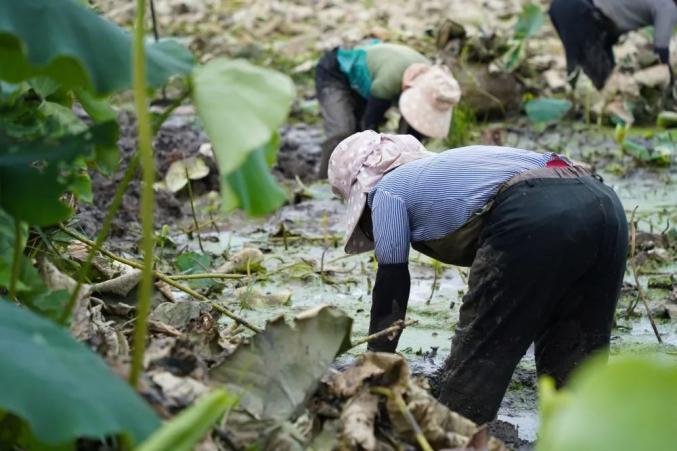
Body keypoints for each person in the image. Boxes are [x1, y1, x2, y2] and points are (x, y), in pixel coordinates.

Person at [327, 131, 628, 424]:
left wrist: (374, 366)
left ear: (362, 191)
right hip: (603, 204)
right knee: (577, 373)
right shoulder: (449, 167)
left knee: (476, 370)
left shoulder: (387, 190)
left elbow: (391, 284)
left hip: (534, 212)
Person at [315, 42, 461, 178]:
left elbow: (412, 134)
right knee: (343, 132)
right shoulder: (389, 83)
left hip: (371, 78)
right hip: (337, 71)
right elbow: (370, 126)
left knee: (362, 131)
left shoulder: (435, 86)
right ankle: (325, 179)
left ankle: (355, 177)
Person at [549, 0, 677, 90]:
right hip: (581, 11)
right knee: (600, 84)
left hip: (570, 8)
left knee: (591, 75)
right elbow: (661, 50)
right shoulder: (667, 6)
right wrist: (670, 83)